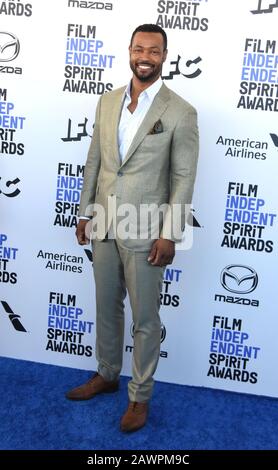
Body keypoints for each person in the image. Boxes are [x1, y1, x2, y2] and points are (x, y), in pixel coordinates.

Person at [66, 23, 199, 432]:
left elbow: (182, 178)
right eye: (139, 49)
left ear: (164, 56)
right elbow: (95, 161)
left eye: (154, 51)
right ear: (129, 51)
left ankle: (139, 396)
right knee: (106, 306)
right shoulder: (107, 102)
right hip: (104, 220)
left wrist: (169, 233)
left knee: (145, 318)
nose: (145, 56)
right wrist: (86, 212)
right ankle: (107, 374)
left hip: (146, 229)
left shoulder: (180, 111)